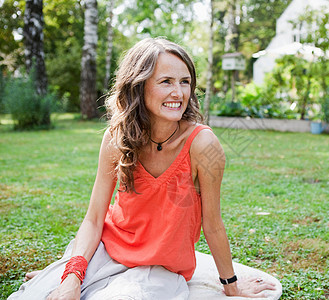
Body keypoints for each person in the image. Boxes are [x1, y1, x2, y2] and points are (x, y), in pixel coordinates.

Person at [8, 38, 276, 300]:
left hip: (160, 269)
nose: (179, 93)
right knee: (43, 294)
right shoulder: (117, 138)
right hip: (108, 247)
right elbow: (94, 218)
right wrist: (72, 276)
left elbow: (213, 224)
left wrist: (231, 286)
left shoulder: (203, 145)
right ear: (139, 86)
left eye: (185, 82)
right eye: (166, 82)